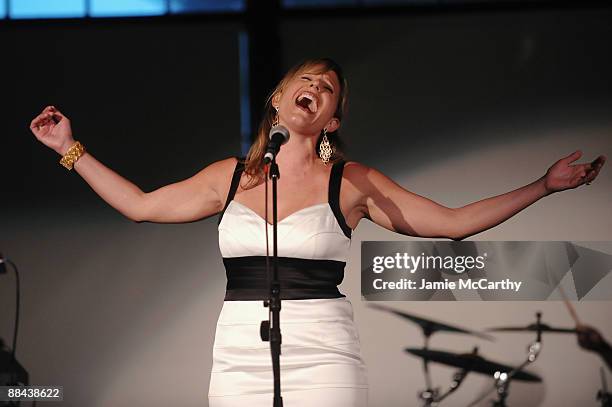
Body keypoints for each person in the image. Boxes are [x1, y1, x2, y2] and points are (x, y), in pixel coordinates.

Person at [30, 58, 605, 406]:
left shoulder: (352, 183)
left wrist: (543, 186)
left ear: (331, 120)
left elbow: (451, 225)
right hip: (239, 355)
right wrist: (69, 149)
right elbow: (139, 206)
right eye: (304, 80)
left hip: (323, 356)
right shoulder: (228, 178)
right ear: (277, 100)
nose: (315, 86)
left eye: (327, 87)